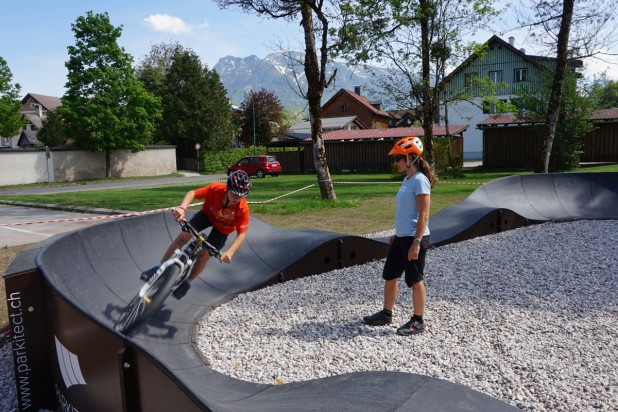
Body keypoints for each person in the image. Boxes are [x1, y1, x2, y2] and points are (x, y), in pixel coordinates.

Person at [363, 136, 437, 335]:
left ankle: (418, 320)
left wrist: (417, 242)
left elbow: (424, 214)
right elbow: (406, 212)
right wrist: (397, 234)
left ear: (411, 158)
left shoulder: (420, 180)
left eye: (398, 158)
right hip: (402, 237)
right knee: (390, 275)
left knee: (415, 279)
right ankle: (386, 314)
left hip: (415, 238)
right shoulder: (407, 179)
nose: (395, 162)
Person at [141, 170, 252, 299]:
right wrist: (182, 208)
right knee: (183, 237)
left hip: (223, 229)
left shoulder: (243, 209)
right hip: (207, 216)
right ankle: (158, 267)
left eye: (241, 196)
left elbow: (241, 235)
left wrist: (229, 253)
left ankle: (188, 282)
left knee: (205, 255)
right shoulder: (215, 188)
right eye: (234, 194)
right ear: (227, 188)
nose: (236, 199)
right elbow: (192, 193)